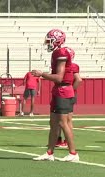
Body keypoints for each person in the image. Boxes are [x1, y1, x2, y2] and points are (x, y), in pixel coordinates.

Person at [32, 29, 79, 162]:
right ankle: (49, 152)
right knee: (53, 123)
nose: (48, 43)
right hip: (60, 90)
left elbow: (59, 77)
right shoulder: (58, 52)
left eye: (50, 40)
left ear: (57, 40)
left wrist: (41, 74)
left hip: (63, 90)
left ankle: (73, 153)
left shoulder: (61, 52)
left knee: (63, 123)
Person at [56, 48, 82, 148]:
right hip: (68, 93)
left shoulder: (71, 66)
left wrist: (71, 89)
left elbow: (78, 80)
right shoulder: (72, 65)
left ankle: (66, 141)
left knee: (65, 120)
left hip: (66, 93)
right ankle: (63, 140)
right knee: (65, 120)